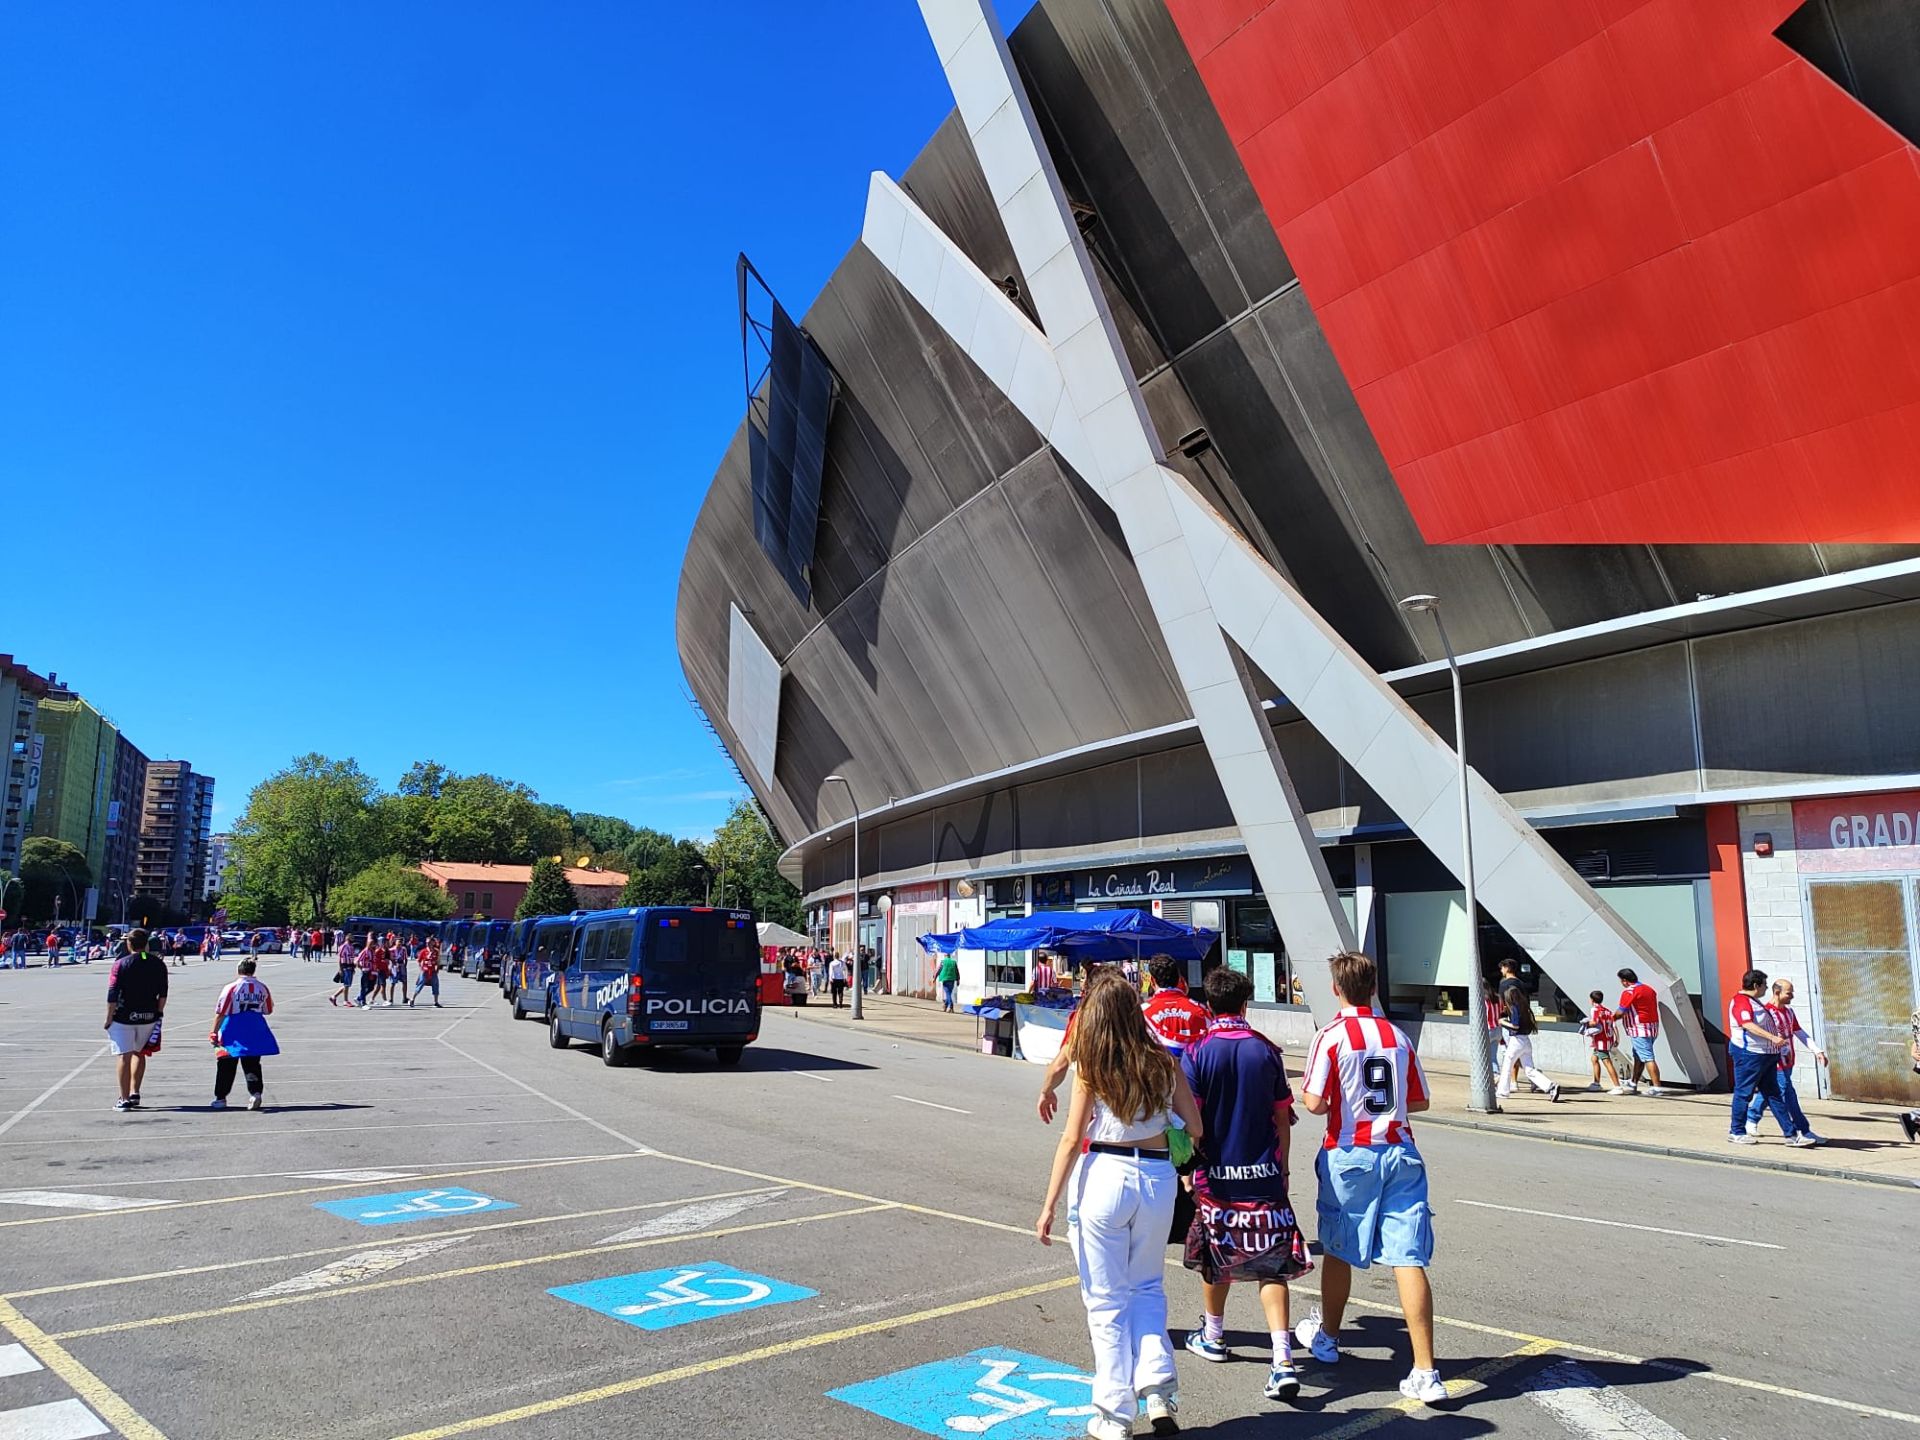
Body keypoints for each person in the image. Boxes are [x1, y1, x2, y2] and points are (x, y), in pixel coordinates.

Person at [1037, 970, 1204, 1440]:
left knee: (1106, 1300)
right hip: (1156, 1177)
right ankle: (1157, 1386)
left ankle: (1113, 1414)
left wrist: (1049, 1204)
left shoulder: (1093, 1063)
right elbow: (1195, 1127)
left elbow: (1072, 1139)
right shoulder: (1161, 1060)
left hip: (1106, 1175)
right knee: (1147, 1287)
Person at [1295, 950, 1444, 1405]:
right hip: (1400, 1151)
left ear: (1336, 989)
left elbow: (1315, 1102)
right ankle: (1425, 1370)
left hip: (1350, 1153)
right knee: (1408, 1256)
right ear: (1374, 988)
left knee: (1339, 1249)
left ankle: (1329, 1339)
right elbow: (1419, 1101)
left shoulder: (1332, 1036)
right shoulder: (1396, 1036)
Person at [1179, 966, 1312, 1405]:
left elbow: (1191, 1122)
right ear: (1245, 1003)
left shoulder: (1197, 1052)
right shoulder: (1267, 1051)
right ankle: (1282, 1359)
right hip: (1264, 1176)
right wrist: (1284, 1168)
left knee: (1216, 1256)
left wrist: (1188, 1166)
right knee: (1270, 1264)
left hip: (1215, 1177)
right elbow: (1282, 1117)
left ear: (1208, 1005)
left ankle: (1213, 1335)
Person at [1742, 978, 1826, 1145]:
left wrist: (1817, 1050)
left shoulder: (1789, 1012)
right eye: (1789, 993)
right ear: (1777, 992)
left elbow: (1799, 1032)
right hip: (1775, 1062)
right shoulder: (1765, 1013)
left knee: (1770, 1092)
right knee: (1788, 1094)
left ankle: (1751, 1119)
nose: (1792, 996)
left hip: (1788, 1061)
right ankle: (1803, 1130)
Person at [1727, 969, 1800, 1146]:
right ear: (1755, 985)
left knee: (1773, 1094)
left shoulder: (1754, 1002)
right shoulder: (1741, 1002)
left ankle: (1791, 1135)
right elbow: (1747, 1025)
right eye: (1764, 985)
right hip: (1749, 1055)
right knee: (1744, 1093)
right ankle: (1736, 1131)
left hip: (1766, 1056)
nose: (1766, 988)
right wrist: (1773, 1038)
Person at [104, 929, 169, 1112]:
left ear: (129, 944)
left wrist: (109, 1018)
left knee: (124, 1055)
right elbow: (163, 993)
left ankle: (124, 1098)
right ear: (147, 944)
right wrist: (158, 1012)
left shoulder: (120, 964)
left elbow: (112, 993)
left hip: (124, 1016)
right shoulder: (158, 964)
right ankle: (135, 1092)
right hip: (148, 1016)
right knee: (139, 1053)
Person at [209, 957, 276, 1110]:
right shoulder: (262, 988)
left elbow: (221, 1011)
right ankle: (255, 1093)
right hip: (255, 1027)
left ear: (239, 970)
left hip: (232, 1027)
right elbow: (268, 1010)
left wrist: (213, 1031)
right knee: (252, 1062)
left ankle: (221, 1097)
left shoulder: (231, 988)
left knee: (225, 1063)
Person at [1494, 960, 1559, 1103]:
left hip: (1516, 1039)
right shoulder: (1523, 1004)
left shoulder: (1511, 1003)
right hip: (1525, 1040)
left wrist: (1502, 1021)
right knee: (1529, 1069)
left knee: (1507, 1064)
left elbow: (1514, 1025)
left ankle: (1503, 1092)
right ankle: (1550, 1086)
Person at [1141, 955, 1210, 1059]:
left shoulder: (1142, 1013)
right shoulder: (1200, 1010)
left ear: (1152, 981)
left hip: (1157, 1072)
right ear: (1179, 980)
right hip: (1193, 1072)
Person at [1613, 968, 1666, 1095]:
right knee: (1638, 1056)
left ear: (1625, 981)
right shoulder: (1649, 989)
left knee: (1647, 1057)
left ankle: (1657, 1087)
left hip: (1638, 1028)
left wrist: (1610, 1020)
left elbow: (1620, 1012)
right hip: (1652, 1027)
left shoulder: (1629, 992)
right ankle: (1633, 1083)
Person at [1581, 990, 1626, 1093]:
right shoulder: (1607, 1011)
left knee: (1607, 1061)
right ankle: (1596, 1083)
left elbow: (1594, 1022)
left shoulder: (1595, 1009)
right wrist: (1617, 1038)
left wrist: (1586, 1023)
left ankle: (1617, 1086)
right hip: (1607, 1039)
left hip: (1600, 1040)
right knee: (1594, 1059)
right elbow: (1613, 1025)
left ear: (1592, 1000)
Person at [413, 939, 443, 1007]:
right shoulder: (423, 951)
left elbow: (438, 961)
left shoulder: (436, 951)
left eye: (429, 942)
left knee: (435, 985)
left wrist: (437, 968)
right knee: (420, 984)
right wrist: (421, 968)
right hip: (425, 970)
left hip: (432, 971)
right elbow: (419, 960)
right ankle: (413, 999)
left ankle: (436, 1002)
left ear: (433, 943)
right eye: (427, 942)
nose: (428, 944)